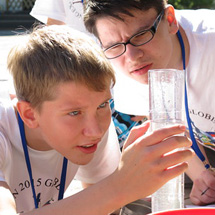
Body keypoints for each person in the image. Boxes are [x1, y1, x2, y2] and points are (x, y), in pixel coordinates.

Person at [0, 24, 193, 214]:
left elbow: (106, 208)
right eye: (74, 113)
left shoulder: (91, 129)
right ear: (30, 114)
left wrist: (125, 185)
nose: (96, 131)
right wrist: (119, 186)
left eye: (103, 105)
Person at [83, 0, 215, 206]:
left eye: (141, 35)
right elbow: (170, 128)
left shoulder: (210, 43)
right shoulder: (120, 72)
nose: (132, 57)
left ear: (170, 20)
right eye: (114, 46)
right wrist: (202, 177)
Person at [29, 0, 146, 148]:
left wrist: (145, 95)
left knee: (124, 154)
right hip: (80, 85)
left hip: (127, 84)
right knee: (85, 152)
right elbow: (52, 32)